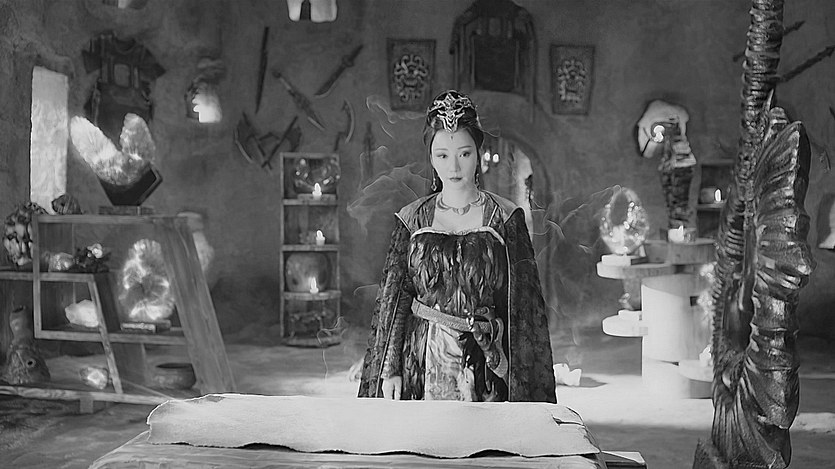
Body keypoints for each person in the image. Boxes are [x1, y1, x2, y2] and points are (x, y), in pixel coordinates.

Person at [357, 90, 556, 402]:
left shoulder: (504, 218)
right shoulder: (413, 219)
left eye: (464, 154)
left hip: (485, 366)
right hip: (421, 362)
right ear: (431, 157)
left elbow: (524, 311)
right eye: (442, 155)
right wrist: (390, 368)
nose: (454, 167)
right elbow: (395, 300)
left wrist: (519, 380)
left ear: (477, 153)